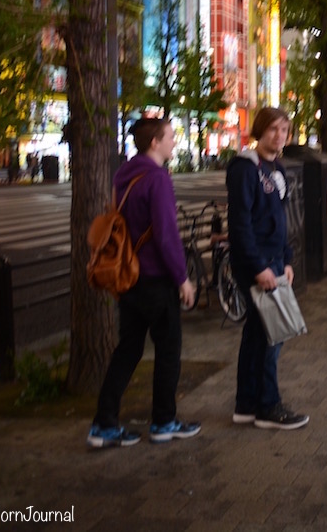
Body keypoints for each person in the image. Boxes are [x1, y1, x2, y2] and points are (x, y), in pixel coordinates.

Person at [88, 117, 199, 448]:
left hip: (128, 277)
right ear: (155, 142)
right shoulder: (157, 178)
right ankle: (164, 421)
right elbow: (166, 235)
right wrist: (182, 278)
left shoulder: (123, 176)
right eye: (170, 137)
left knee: (128, 350)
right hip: (156, 278)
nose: (174, 143)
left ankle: (103, 424)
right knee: (168, 349)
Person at [226, 107, 309, 430]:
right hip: (257, 263)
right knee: (272, 335)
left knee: (257, 334)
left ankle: (247, 404)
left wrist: (286, 259)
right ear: (260, 131)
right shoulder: (246, 169)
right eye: (273, 129)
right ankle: (268, 406)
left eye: (284, 129)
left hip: (274, 261)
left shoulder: (276, 167)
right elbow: (241, 224)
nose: (280, 135)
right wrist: (260, 266)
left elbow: (280, 220)